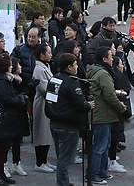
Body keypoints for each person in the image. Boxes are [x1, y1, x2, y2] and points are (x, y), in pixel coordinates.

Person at [45, 53, 95, 186]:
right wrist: (88, 105)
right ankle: (62, 183)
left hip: (54, 122)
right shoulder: (72, 82)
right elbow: (80, 104)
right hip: (69, 125)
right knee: (66, 159)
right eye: (75, 65)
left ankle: (64, 181)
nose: (77, 67)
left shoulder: (54, 79)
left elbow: (50, 99)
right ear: (69, 67)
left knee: (61, 156)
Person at [87, 47, 127, 184]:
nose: (112, 59)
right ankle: (93, 175)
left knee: (105, 144)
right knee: (99, 146)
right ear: (104, 59)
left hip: (102, 114)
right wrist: (121, 108)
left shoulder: (93, 70)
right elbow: (109, 95)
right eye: (110, 56)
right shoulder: (103, 74)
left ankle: (102, 172)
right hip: (102, 114)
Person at [0, 54, 27, 186]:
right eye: (10, 64)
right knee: (0, 150)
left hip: (8, 119)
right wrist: (20, 99)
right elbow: (7, 99)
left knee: (4, 148)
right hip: (3, 119)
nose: (12, 66)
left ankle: (0, 174)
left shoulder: (5, 79)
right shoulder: (1, 81)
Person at [32, 44, 56, 173]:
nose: (51, 55)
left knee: (46, 134)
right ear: (42, 55)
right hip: (42, 103)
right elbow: (43, 88)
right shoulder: (38, 69)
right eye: (49, 52)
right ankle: (39, 162)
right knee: (41, 133)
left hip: (47, 103)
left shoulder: (45, 66)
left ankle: (45, 160)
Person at [11, 27, 40, 97]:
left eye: (33, 37)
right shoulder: (19, 49)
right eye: (29, 36)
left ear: (39, 37)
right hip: (23, 85)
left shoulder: (42, 49)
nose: (30, 39)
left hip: (38, 85)